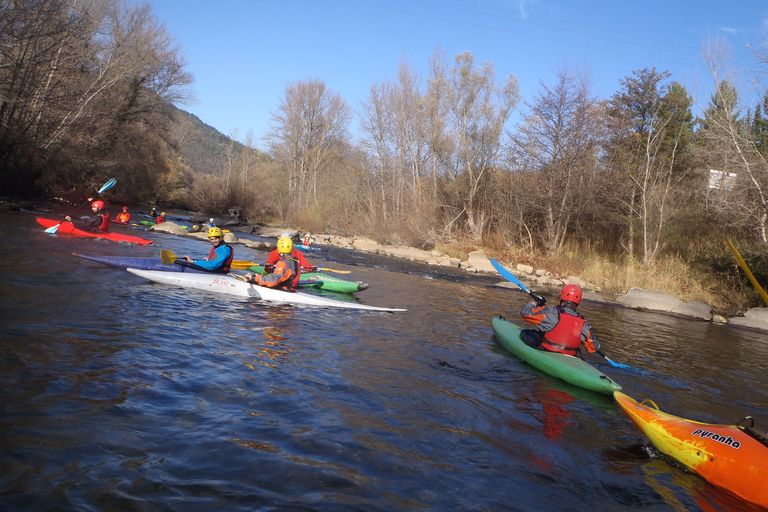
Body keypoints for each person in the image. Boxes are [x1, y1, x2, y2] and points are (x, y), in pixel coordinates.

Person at [519, 284, 601, 357]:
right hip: (570, 356)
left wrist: (535, 303)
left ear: (561, 297)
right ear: (578, 302)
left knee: (526, 333)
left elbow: (525, 313)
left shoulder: (551, 312)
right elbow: (594, 348)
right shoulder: (584, 324)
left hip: (547, 351)